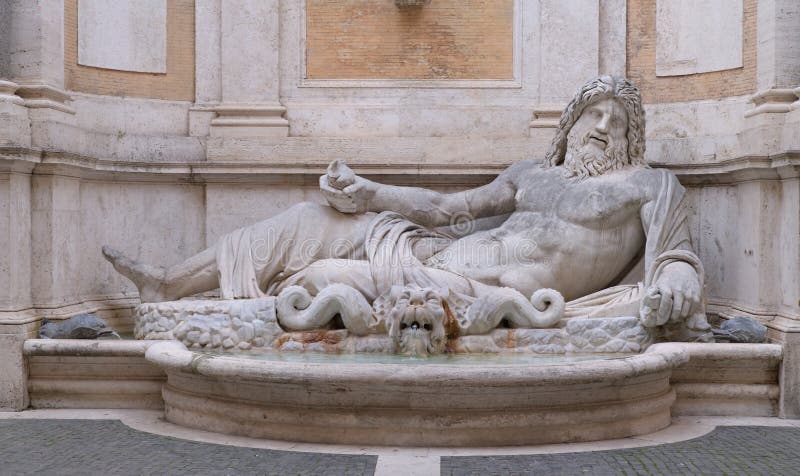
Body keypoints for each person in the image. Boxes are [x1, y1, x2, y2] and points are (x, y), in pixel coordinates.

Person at [103, 76, 710, 339]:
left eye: (616, 118)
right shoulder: (531, 173)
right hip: (436, 250)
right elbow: (450, 207)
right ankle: (169, 284)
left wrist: (679, 278)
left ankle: (247, 319)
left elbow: (676, 255)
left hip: (483, 288)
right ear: (572, 121)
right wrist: (370, 193)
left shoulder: (651, 187)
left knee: (322, 279)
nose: (602, 126)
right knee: (305, 222)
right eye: (592, 113)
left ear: (632, 133)